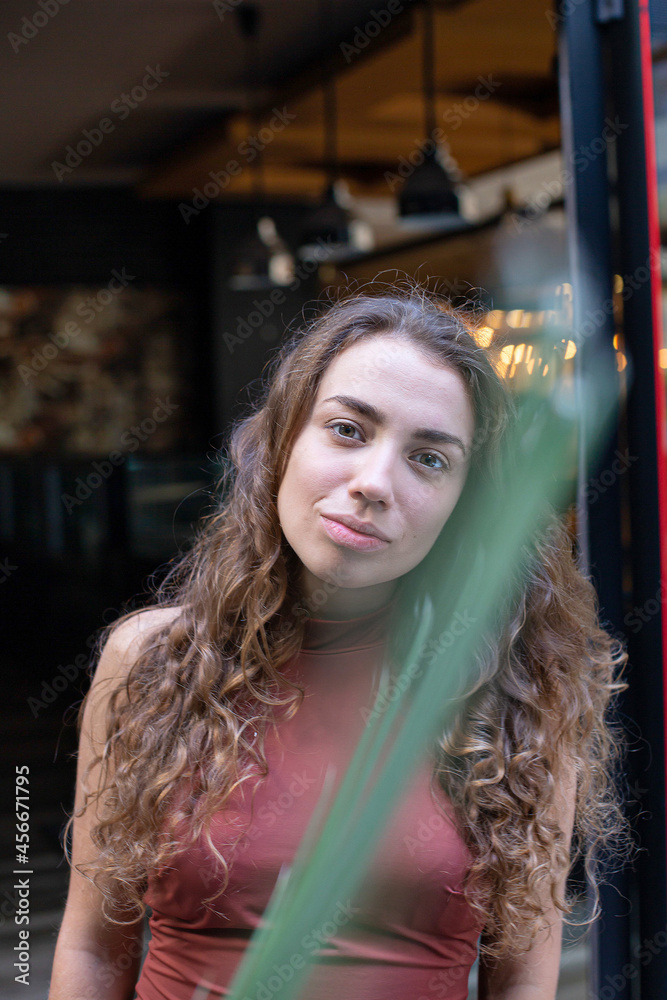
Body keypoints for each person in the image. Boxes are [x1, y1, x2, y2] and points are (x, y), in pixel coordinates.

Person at [49, 283, 632, 1000]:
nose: (373, 483)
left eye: (429, 459)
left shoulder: (521, 686)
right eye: (348, 430)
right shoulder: (151, 661)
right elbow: (91, 948)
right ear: (282, 440)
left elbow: (520, 984)